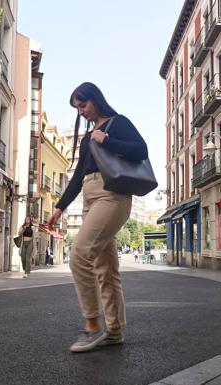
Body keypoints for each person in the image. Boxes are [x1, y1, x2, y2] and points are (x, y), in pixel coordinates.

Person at [47, 82, 148, 353]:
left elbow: (141, 151)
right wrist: (59, 207)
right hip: (90, 199)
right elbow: (78, 176)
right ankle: (114, 330)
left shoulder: (117, 123)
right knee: (106, 268)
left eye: (83, 104)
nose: (80, 111)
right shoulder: (85, 138)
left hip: (112, 195)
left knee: (79, 253)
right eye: (77, 108)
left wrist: (108, 140)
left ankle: (92, 326)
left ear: (95, 99)